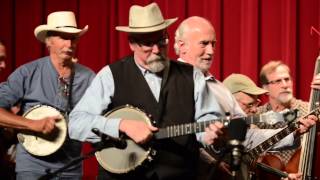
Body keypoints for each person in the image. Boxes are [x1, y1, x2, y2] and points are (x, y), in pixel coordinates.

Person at [69, 3, 224, 180]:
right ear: (132, 44)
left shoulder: (192, 75)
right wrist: (121, 125)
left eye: (161, 41)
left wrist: (209, 133)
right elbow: (76, 123)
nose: (157, 50)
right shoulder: (111, 75)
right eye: (148, 44)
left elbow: (208, 119)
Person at [174, 16, 315, 180]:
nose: (211, 51)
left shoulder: (220, 89)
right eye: (204, 43)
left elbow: (248, 137)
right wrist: (213, 162)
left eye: (213, 44)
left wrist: (293, 131)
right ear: (182, 46)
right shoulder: (169, 83)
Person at [0, 11, 95, 179]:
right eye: (63, 37)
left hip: (71, 168)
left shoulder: (88, 77)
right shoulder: (27, 73)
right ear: (48, 41)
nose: (69, 43)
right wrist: (32, 124)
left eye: (73, 38)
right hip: (32, 168)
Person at [223, 73, 304, 180]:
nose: (255, 109)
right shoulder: (206, 132)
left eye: (256, 103)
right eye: (250, 104)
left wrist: (285, 175)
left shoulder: (251, 128)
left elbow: (252, 160)